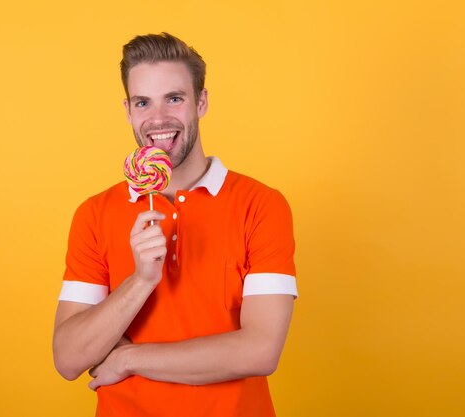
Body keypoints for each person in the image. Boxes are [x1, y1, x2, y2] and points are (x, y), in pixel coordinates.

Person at [52, 32, 298, 417]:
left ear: (201, 102)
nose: (158, 118)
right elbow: (68, 357)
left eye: (175, 98)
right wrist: (140, 281)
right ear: (128, 110)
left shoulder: (261, 205)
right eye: (143, 102)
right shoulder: (95, 213)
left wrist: (129, 358)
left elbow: (260, 351)